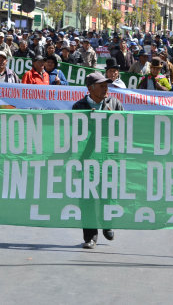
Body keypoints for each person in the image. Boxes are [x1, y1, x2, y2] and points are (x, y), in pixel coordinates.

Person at [72, 72, 122, 249]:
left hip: (108, 157)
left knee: (107, 194)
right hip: (86, 158)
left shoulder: (114, 103)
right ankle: (90, 236)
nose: (106, 88)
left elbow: (122, 128)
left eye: (106, 85)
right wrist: (89, 120)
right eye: (102, 86)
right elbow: (76, 133)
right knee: (87, 197)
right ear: (90, 89)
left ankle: (107, 223)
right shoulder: (79, 106)